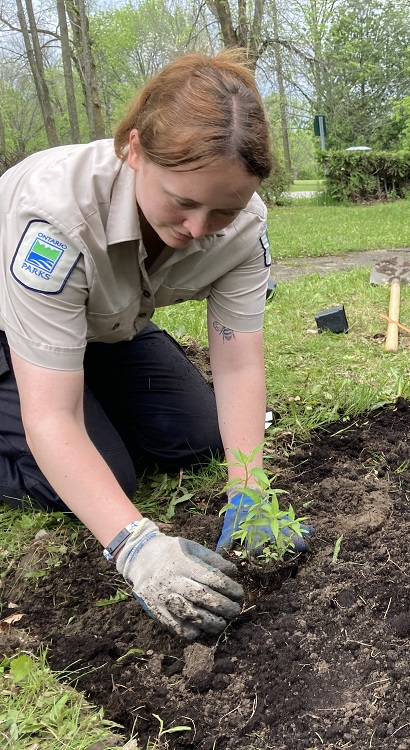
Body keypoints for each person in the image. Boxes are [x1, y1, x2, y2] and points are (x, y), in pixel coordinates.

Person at [0, 49, 306, 641]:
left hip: (104, 328)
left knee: (200, 437)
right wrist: (137, 547)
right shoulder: (55, 219)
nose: (198, 229)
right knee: (108, 475)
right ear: (134, 150)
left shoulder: (244, 227)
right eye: (183, 201)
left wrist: (249, 485)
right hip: (8, 326)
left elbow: (239, 361)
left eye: (223, 208)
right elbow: (51, 414)